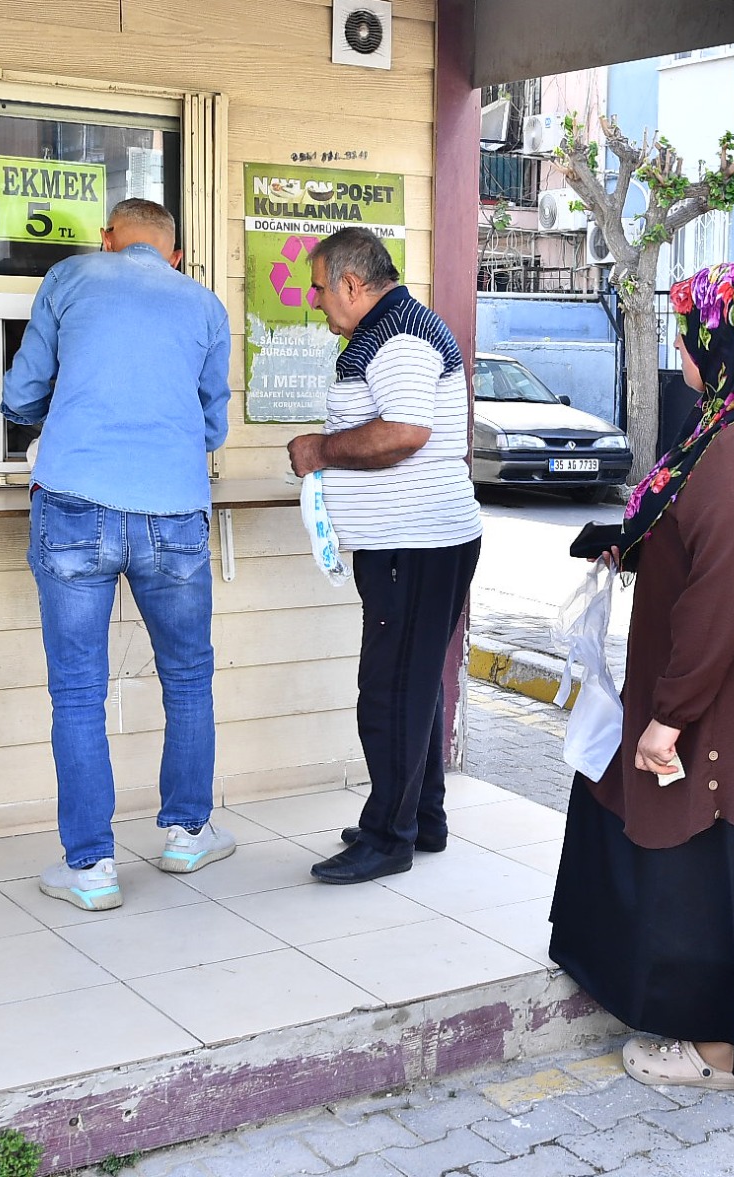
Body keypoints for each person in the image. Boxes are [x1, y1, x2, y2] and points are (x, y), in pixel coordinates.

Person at [549, 262, 734, 1089]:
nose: (682, 344)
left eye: (693, 328)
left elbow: (720, 593)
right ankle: (707, 1035)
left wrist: (670, 715)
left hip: (722, 704)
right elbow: (702, 542)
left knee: (710, 864)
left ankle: (718, 1054)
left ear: (730, 341)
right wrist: (634, 542)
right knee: (701, 857)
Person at [2, 198, 236, 912]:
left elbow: (20, 394)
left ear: (108, 240)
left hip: (74, 502)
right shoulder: (204, 305)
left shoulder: (69, 278)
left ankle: (91, 868)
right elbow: (213, 424)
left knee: (78, 689)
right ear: (174, 254)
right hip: (173, 513)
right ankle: (187, 833)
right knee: (189, 676)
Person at [287, 227, 482, 885]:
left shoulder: (399, 334)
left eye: (319, 287)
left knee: (391, 691)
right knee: (414, 684)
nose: (315, 301)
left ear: (350, 282)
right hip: (415, 544)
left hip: (417, 546)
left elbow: (404, 431)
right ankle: (419, 816)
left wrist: (322, 450)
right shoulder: (395, 326)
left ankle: (387, 837)